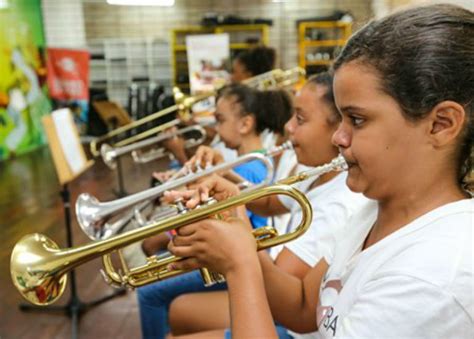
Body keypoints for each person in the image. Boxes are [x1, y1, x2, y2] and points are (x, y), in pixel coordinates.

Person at [167, 4, 473, 338]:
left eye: (357, 120)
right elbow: (302, 308)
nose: (338, 137)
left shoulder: (431, 276)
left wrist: (239, 265)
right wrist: (241, 230)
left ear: (441, 125)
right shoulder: (377, 209)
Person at [164, 72, 371, 338]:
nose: (287, 127)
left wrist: (237, 227)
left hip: (285, 318)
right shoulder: (318, 174)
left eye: (300, 118)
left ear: (336, 131)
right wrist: (227, 179)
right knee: (178, 311)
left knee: (162, 302)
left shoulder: (342, 204)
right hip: (286, 307)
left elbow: (276, 291)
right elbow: (270, 203)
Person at [137, 83, 294, 339]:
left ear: (245, 124)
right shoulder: (241, 163)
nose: (216, 130)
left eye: (220, 121)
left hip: (234, 258)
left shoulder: (252, 168)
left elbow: (225, 223)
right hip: (230, 254)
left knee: (149, 292)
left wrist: (187, 183)